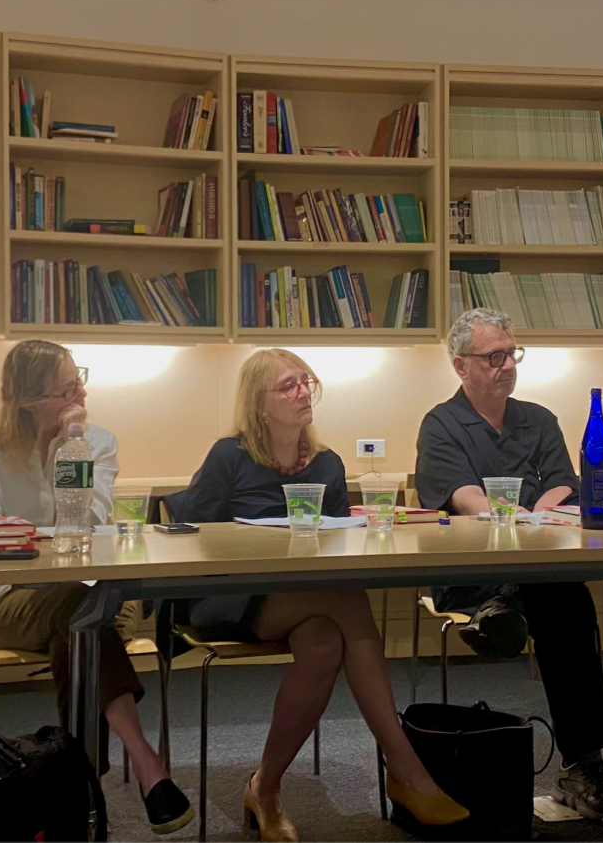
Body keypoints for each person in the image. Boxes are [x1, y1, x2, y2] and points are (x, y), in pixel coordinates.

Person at [166, 348, 468, 843]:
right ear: (258, 404)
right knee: (347, 599)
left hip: (305, 598)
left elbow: (335, 542)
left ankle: (264, 788)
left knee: (326, 641)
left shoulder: (326, 463)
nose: (303, 391)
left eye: (306, 382)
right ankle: (406, 768)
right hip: (229, 598)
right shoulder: (230, 456)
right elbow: (190, 530)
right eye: (287, 386)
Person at [414, 308, 603, 824]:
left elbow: (564, 481)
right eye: (493, 356)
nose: (507, 365)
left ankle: (586, 764)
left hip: (539, 565)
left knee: (562, 595)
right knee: (564, 596)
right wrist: (519, 516)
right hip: (472, 570)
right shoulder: (441, 424)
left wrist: (544, 511)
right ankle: (586, 764)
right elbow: (466, 497)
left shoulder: (538, 418)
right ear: (460, 366)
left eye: (511, 353)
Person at [0, 339, 192, 833]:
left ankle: (79, 801)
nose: (80, 393)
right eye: (65, 389)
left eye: (79, 380)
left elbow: (82, 522)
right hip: (12, 601)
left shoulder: (97, 441)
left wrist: (72, 446)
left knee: (80, 621)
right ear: (26, 399)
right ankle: (145, 763)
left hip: (97, 590)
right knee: (82, 614)